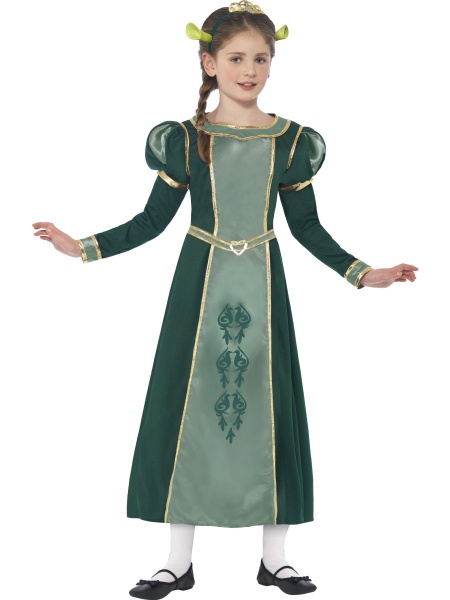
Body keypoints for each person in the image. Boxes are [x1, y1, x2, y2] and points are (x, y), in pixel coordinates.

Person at [32, 2, 418, 598]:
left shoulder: (292, 142)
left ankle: (276, 558)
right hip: (200, 285)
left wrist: (364, 273)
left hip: (263, 286)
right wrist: (81, 246)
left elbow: (307, 226)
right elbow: (152, 221)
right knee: (185, 410)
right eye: (236, 58)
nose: (250, 70)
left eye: (261, 59)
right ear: (209, 63)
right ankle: (177, 562)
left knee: (271, 408)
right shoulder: (187, 140)